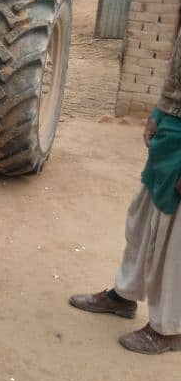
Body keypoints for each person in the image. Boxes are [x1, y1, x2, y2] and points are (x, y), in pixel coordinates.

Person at [69, 24, 181, 354]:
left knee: (174, 240)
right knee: (143, 220)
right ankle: (125, 294)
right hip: (171, 134)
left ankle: (168, 328)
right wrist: (160, 110)